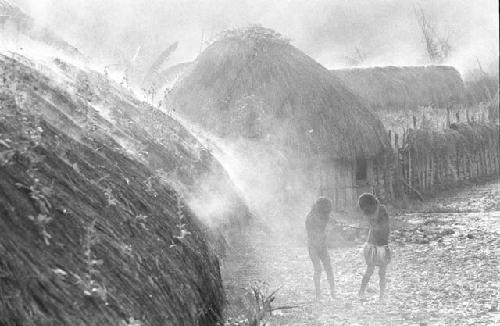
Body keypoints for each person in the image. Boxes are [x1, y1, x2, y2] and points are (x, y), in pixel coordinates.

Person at [358, 193, 391, 301]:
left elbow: (384, 226)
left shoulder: (382, 210)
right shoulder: (369, 212)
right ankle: (361, 292)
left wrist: (377, 227)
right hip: (373, 244)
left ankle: (381, 296)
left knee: (382, 272)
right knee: (370, 269)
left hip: (382, 243)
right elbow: (373, 226)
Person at [305, 197, 335, 300]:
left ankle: (332, 292)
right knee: (318, 269)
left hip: (322, 245)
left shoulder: (324, 215)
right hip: (313, 246)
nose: (327, 213)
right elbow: (318, 227)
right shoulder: (310, 217)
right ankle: (318, 294)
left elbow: (327, 224)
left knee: (329, 268)